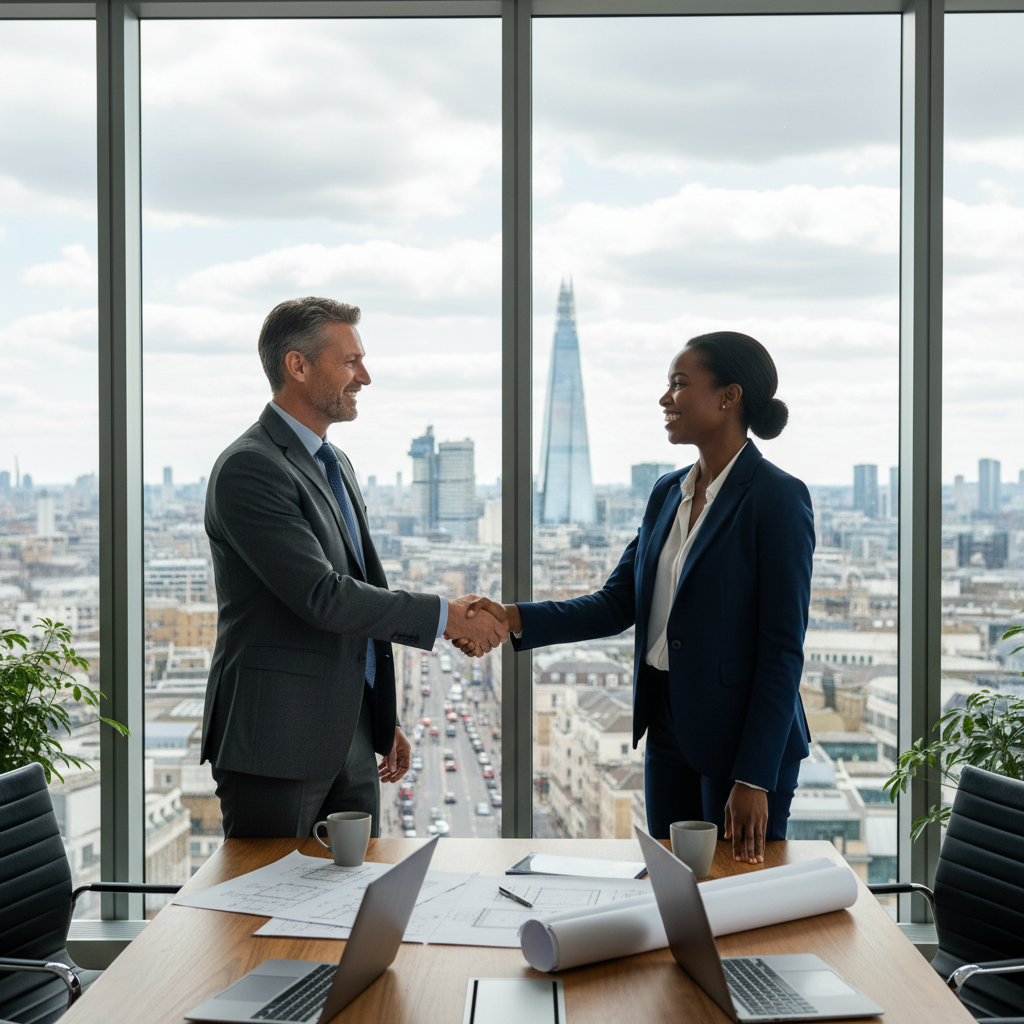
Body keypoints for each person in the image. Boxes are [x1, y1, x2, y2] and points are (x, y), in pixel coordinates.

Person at [455, 332, 814, 863]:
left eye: (679, 384)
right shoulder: (668, 493)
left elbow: (782, 650)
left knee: (737, 893)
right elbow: (618, 601)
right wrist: (509, 617)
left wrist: (754, 775)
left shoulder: (778, 499)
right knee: (672, 881)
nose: (665, 399)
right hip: (669, 727)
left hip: (743, 742)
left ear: (728, 397)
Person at [201, 296, 507, 839]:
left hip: (351, 736)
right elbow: (324, 596)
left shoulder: (333, 460)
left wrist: (378, 716)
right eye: (350, 362)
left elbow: (362, 588)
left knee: (353, 899)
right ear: (297, 366)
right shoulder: (251, 467)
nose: (365, 376)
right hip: (277, 742)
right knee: (268, 906)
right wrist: (447, 617)